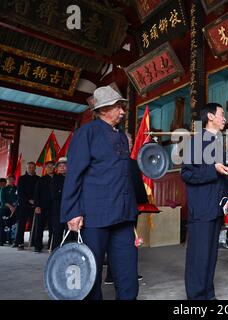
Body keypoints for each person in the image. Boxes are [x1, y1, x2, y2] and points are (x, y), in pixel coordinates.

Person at [61, 85, 139, 300]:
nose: (122, 112)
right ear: (103, 110)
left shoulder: (122, 137)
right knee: (91, 271)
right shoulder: (86, 133)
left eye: (122, 107)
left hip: (123, 214)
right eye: (117, 107)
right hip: (95, 215)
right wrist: (72, 211)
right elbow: (74, 174)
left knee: (127, 270)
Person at [181, 103, 228, 300]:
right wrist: (212, 169)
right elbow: (187, 174)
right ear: (210, 117)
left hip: (216, 207)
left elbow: (222, 171)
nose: (225, 118)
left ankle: (208, 294)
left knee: (211, 255)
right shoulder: (196, 142)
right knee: (199, 256)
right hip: (201, 208)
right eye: (222, 114)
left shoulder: (216, 142)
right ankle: (197, 298)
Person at [104, 133, 146, 285]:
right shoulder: (131, 163)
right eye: (127, 142)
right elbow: (138, 187)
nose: (129, 144)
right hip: (128, 208)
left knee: (112, 241)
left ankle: (110, 275)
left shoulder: (108, 162)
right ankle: (128, 275)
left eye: (130, 142)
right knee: (128, 243)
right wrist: (142, 203)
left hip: (111, 208)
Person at [15, 162, 39, 250]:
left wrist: (35, 201)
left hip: (35, 205)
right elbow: (20, 192)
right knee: (21, 224)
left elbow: (39, 192)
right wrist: (28, 200)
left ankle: (33, 241)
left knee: (34, 225)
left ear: (35, 168)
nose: (31, 169)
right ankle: (19, 242)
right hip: (24, 205)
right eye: (29, 167)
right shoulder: (21, 179)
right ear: (26, 168)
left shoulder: (38, 179)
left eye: (32, 167)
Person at [33, 160, 55, 253]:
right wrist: (37, 206)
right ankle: (38, 246)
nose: (50, 168)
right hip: (42, 207)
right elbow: (36, 194)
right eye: (48, 166)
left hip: (54, 208)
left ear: (55, 168)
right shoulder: (41, 180)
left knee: (53, 228)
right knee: (39, 228)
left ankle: (52, 246)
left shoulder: (58, 178)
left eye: (52, 166)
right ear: (45, 169)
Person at [49, 157, 67, 251]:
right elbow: (54, 194)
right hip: (58, 210)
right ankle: (56, 252)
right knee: (57, 233)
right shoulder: (55, 179)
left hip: (70, 209)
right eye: (60, 166)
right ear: (57, 168)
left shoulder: (72, 178)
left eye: (65, 166)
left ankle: (69, 252)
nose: (62, 168)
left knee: (70, 233)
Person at [1, 176, 18, 245]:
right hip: (5, 209)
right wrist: (11, 207)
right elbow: (2, 200)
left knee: (13, 225)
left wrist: (15, 206)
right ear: (7, 180)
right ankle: (2, 240)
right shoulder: (3, 189)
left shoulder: (16, 188)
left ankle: (11, 240)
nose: (11, 181)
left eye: (12, 179)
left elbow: (18, 198)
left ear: (14, 180)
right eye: (9, 179)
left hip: (15, 209)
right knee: (5, 225)